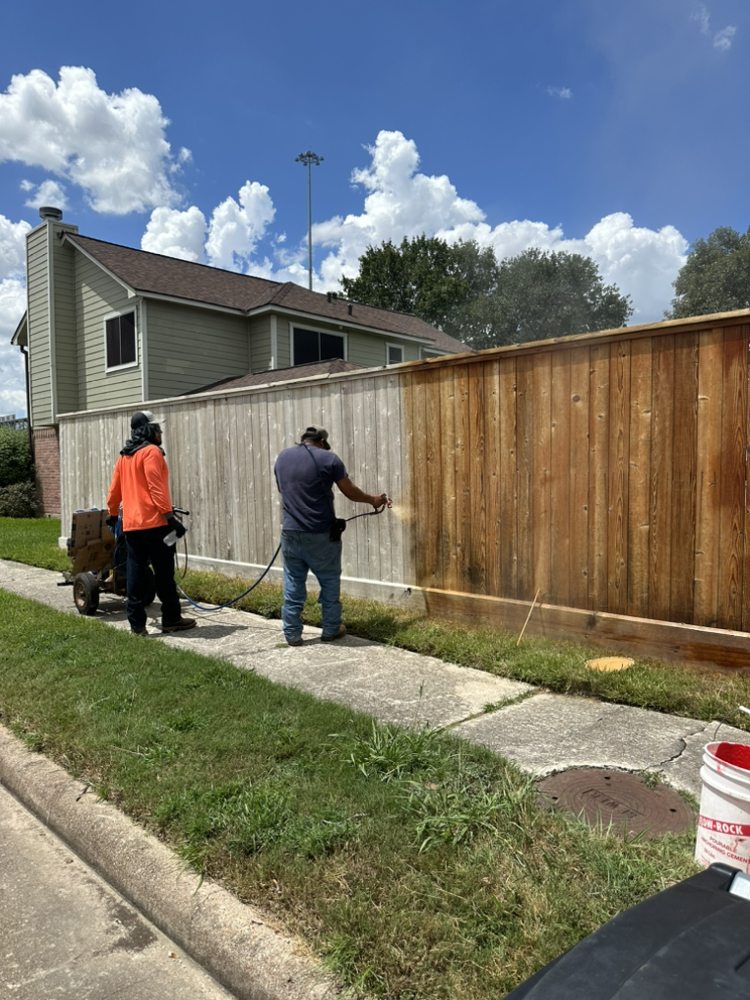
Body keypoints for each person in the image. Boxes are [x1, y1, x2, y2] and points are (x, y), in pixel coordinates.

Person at [274, 426, 387, 646]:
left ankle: (292, 634)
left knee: (293, 581)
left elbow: (283, 489)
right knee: (329, 580)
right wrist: (374, 500)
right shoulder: (329, 459)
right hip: (320, 534)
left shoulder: (282, 458)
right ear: (322, 442)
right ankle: (331, 629)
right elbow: (350, 492)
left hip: (290, 533)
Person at [106, 410, 196, 636]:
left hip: (132, 526)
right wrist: (170, 518)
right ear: (150, 430)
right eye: (158, 428)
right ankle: (171, 619)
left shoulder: (124, 457)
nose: (161, 432)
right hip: (156, 524)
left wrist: (112, 514)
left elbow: (114, 492)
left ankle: (137, 625)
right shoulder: (152, 452)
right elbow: (156, 488)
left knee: (135, 573)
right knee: (164, 573)